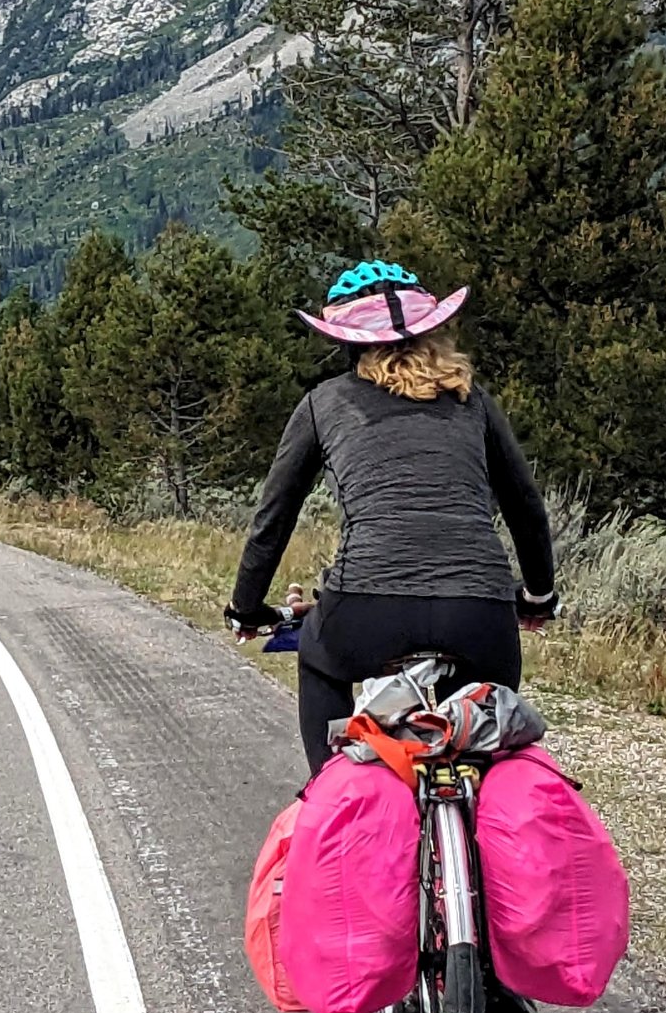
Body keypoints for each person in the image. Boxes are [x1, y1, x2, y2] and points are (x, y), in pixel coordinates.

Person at [226, 262, 557, 777]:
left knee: (318, 660)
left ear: (350, 344)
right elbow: (527, 511)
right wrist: (537, 596)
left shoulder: (323, 402)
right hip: (480, 616)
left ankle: (330, 794)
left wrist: (247, 608)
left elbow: (274, 518)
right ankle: (478, 841)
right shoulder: (474, 402)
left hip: (365, 612)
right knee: (481, 754)